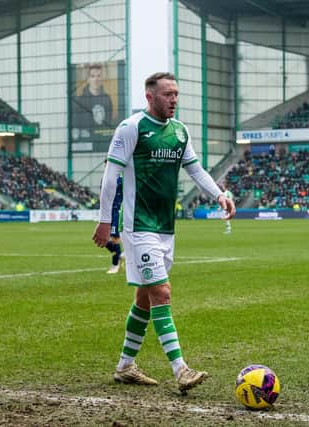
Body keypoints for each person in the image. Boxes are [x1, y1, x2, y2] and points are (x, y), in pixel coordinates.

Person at [92, 72, 236, 393]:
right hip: (138, 226)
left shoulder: (180, 132)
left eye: (176, 94)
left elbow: (196, 170)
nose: (174, 99)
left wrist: (220, 195)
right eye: (168, 94)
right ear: (150, 97)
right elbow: (110, 175)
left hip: (165, 229)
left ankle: (125, 366)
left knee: (144, 299)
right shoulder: (131, 128)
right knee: (162, 293)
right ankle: (180, 369)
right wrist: (105, 220)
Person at [72, 63, 114, 145]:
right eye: (92, 76)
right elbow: (76, 126)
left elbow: (108, 124)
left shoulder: (107, 99)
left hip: (103, 143)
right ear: (88, 79)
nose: (96, 79)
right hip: (86, 143)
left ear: (102, 79)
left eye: (98, 76)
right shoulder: (80, 100)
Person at [105, 174, 124, 274]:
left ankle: (115, 265)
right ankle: (122, 255)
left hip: (118, 211)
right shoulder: (107, 178)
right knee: (103, 240)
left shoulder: (122, 178)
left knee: (114, 239)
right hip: (110, 211)